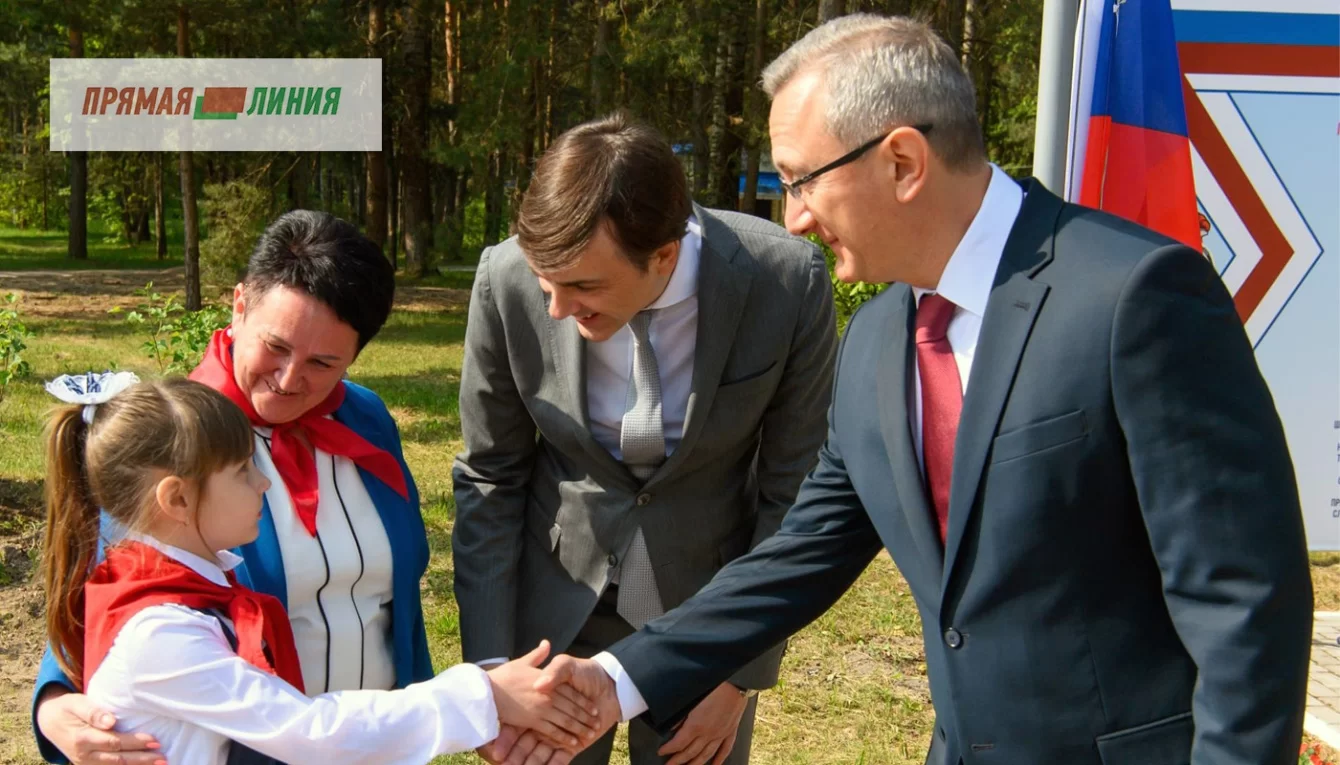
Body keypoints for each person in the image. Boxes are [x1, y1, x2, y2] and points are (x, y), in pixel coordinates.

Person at [527, 14, 1313, 765]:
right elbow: (801, 556)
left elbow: (1244, 603)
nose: (793, 218)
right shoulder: (874, 341)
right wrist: (617, 677)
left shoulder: (1134, 298)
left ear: (902, 161)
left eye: (801, 181)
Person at [452, 112, 837, 765]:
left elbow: (793, 491)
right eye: (547, 283)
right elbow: (491, 476)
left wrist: (738, 672)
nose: (556, 310)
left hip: (709, 619)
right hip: (553, 613)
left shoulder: (786, 281)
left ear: (663, 255)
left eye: (583, 287)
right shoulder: (506, 278)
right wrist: (491, 674)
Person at [31, 211, 444, 763]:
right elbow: (110, 588)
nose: (289, 379)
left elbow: (400, 590)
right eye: (276, 346)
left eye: (323, 362)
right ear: (239, 304)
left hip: (382, 741)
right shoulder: (172, 439)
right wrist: (55, 701)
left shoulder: (367, 420)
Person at [38, 375, 599, 765]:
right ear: (177, 499)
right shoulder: (164, 634)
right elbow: (310, 732)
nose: (263, 482)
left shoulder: (163, 585)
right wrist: (482, 695)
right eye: (243, 471)